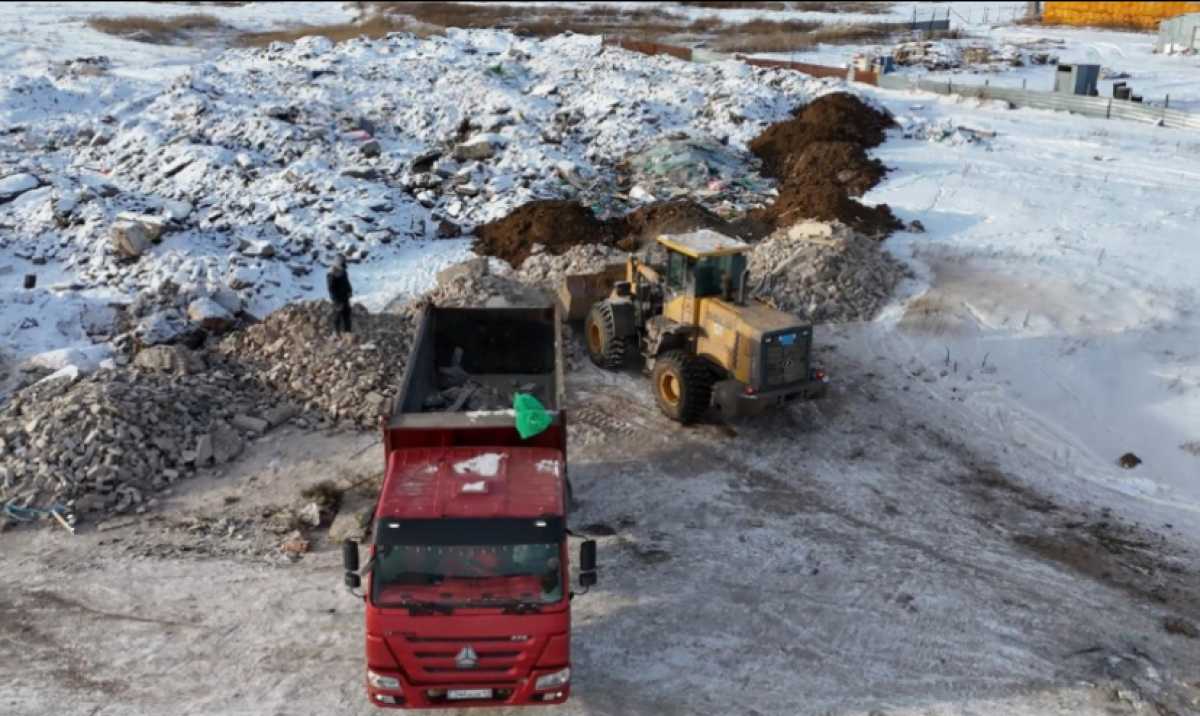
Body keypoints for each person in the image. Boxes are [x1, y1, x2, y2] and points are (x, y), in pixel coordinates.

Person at [327, 255, 353, 334]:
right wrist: (335, 300)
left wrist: (349, 290)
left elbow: (347, 282)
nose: (344, 264)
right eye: (343, 262)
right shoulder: (331, 273)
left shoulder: (343, 271)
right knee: (337, 315)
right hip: (338, 298)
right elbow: (331, 288)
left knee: (347, 314)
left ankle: (348, 332)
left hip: (345, 297)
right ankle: (336, 332)